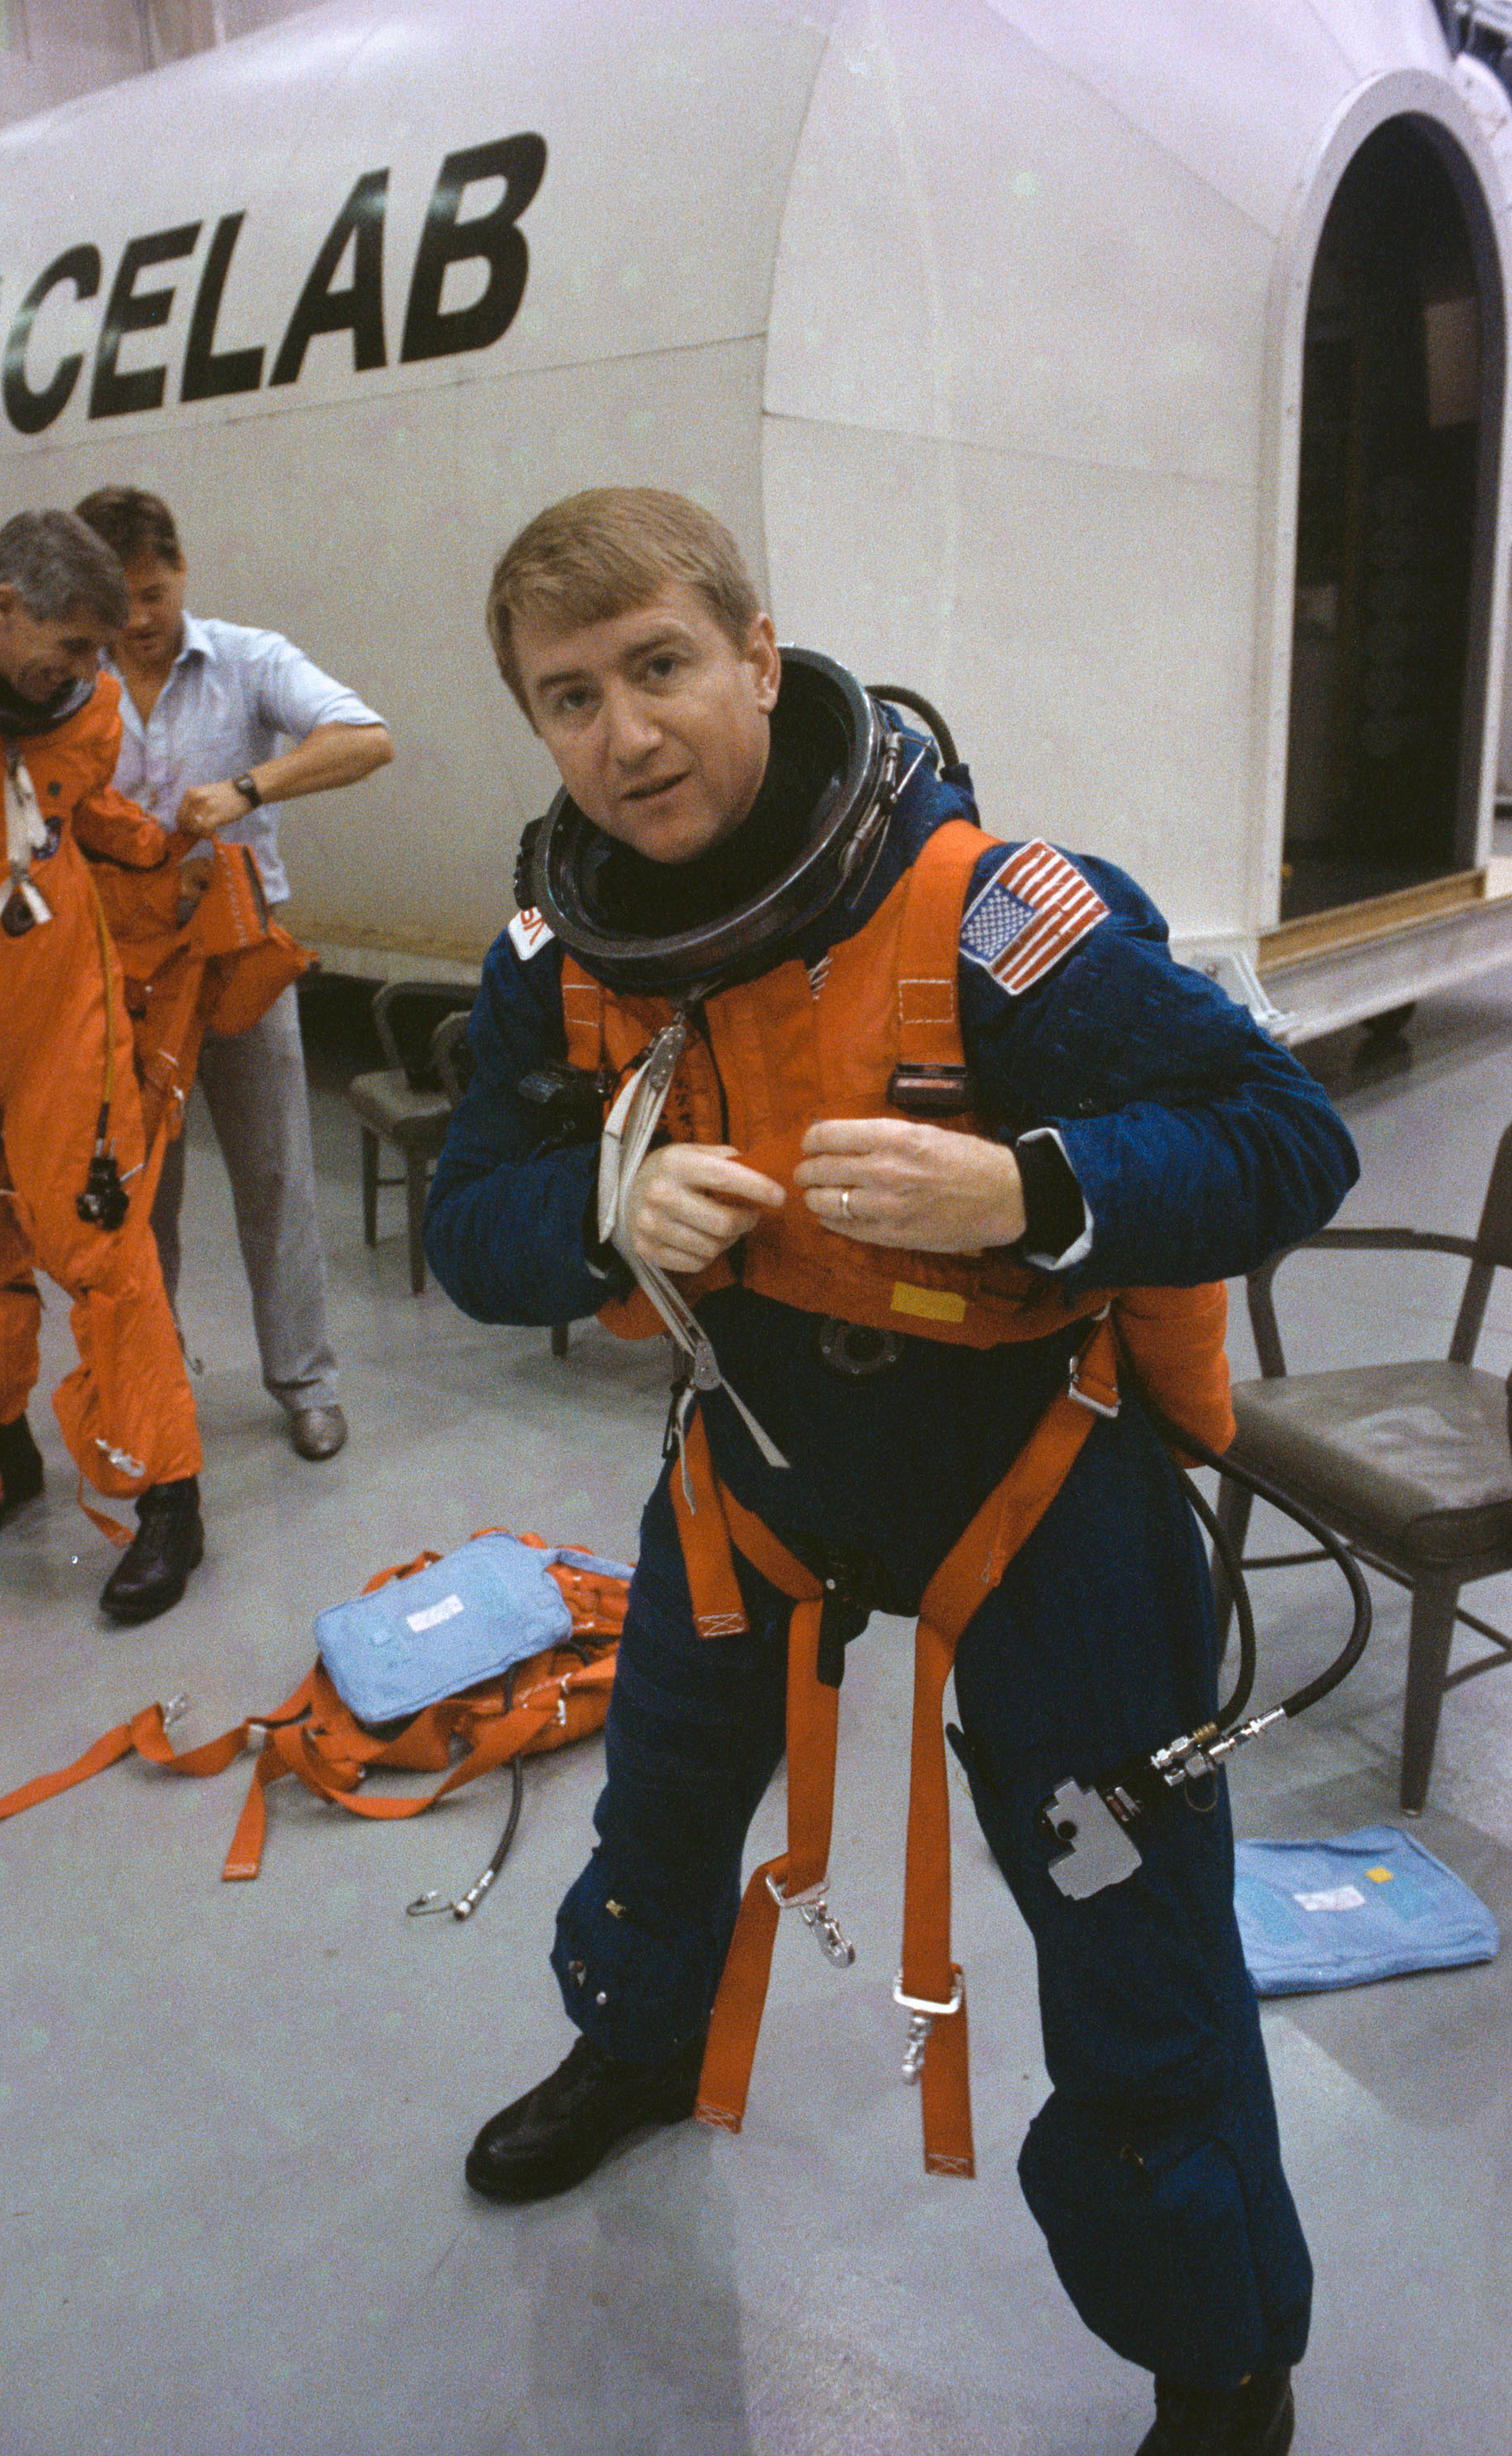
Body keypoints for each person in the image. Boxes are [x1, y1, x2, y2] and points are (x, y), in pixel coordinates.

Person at [422, 488, 1361, 2456]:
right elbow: (470, 1221)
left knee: (1133, 1931)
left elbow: (1286, 1139)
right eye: (570, 697)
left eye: (663, 666)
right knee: (664, 1810)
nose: (627, 734)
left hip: (1037, 1489)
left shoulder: (995, 916)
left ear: (759, 653)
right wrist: (602, 1210)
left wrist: (1034, 1187)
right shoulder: (564, 945)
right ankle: (644, 2035)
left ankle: (1221, 2364)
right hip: (755, 1469)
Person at [74, 486, 394, 1463]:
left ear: (183, 572)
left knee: (276, 1178)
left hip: (238, 970)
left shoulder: (249, 659)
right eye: (118, 600)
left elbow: (366, 739)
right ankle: (156, 1382)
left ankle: (305, 1383)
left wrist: (250, 787)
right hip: (122, 982)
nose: (136, 620)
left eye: (154, 594)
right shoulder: (70, 680)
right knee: (140, 1195)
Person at [0, 510, 205, 1623]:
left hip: (56, 1017)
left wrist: (161, 853)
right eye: (77, 646)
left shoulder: (82, 714)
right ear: (1, 610)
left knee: (100, 1239)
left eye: (105, 648)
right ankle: (2, 1464)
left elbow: (80, 814)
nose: (97, 674)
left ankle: (169, 1503)